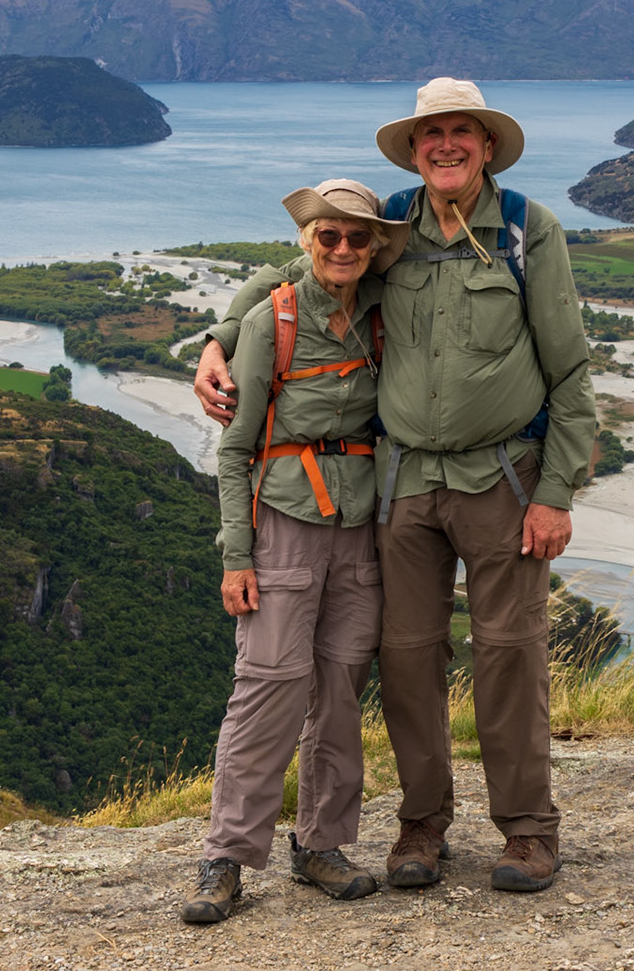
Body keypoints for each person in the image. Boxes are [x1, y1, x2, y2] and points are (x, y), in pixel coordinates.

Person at [193, 78, 596, 893]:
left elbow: (571, 368)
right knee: (408, 658)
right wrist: (217, 336)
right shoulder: (393, 231)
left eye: (461, 132)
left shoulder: (527, 231)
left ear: (486, 146)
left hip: (504, 480)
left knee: (509, 655)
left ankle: (527, 831)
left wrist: (558, 491)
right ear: (414, 151)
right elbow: (302, 266)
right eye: (431, 134)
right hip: (406, 482)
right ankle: (422, 825)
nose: (445, 145)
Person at [181, 179, 410, 924]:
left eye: (356, 237)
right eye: (327, 237)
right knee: (269, 686)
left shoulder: (382, 310)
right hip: (282, 521)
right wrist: (235, 555)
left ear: (374, 245)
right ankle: (225, 855)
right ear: (306, 243)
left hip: (359, 528)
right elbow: (234, 450)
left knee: (340, 691)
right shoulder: (269, 319)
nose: (342, 249)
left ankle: (322, 845)